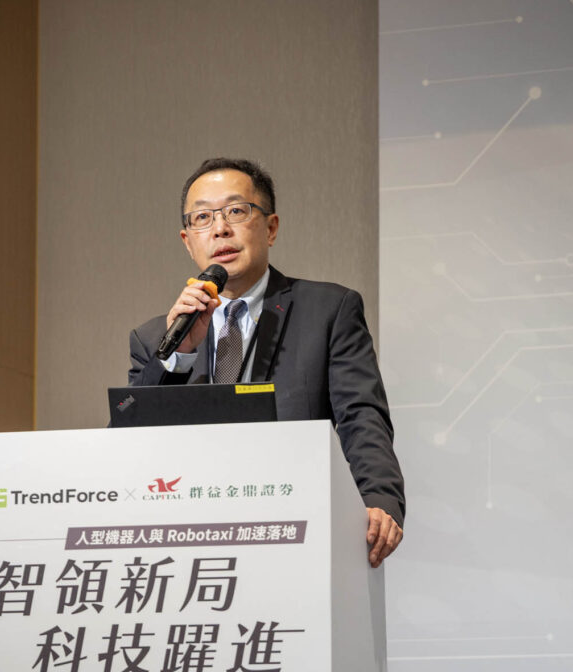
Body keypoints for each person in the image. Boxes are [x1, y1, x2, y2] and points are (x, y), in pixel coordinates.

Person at [128, 158, 405, 567]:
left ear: (271, 228)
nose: (220, 229)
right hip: (190, 539)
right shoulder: (155, 338)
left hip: (295, 529)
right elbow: (129, 444)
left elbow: (361, 416)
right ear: (187, 241)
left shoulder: (328, 310)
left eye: (236, 211)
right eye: (203, 217)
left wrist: (378, 497)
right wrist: (179, 355)